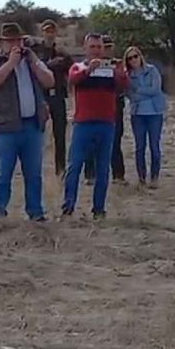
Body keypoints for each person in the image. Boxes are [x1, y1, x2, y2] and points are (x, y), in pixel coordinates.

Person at [0, 22, 56, 221]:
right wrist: (10, 64)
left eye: (18, 41)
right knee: (4, 172)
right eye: (10, 41)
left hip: (32, 125)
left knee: (34, 173)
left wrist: (33, 61)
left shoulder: (31, 60)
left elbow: (49, 81)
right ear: (2, 43)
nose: (15, 45)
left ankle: (35, 212)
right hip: (6, 126)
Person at [60, 34, 119, 219]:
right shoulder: (78, 67)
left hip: (106, 123)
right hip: (83, 123)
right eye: (92, 46)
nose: (96, 50)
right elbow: (72, 80)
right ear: (85, 48)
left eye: (99, 47)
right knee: (75, 165)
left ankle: (99, 209)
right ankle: (68, 206)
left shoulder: (111, 68)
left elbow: (125, 84)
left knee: (103, 168)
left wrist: (119, 71)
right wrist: (88, 70)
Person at [83, 35, 130, 185]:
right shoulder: (89, 63)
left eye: (110, 47)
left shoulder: (117, 64)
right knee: (91, 141)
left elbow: (124, 83)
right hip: (93, 106)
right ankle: (90, 174)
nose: (107, 50)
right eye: (105, 47)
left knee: (115, 140)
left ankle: (118, 174)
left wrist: (118, 72)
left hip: (115, 105)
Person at [32, 20, 73, 178]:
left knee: (60, 134)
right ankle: (34, 167)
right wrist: (49, 64)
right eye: (46, 31)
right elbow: (33, 67)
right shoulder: (35, 51)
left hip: (58, 95)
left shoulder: (62, 52)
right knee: (37, 132)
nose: (49, 34)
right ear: (42, 32)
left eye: (52, 31)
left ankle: (60, 169)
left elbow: (71, 69)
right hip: (40, 95)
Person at [124, 46, 167, 187]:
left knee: (154, 146)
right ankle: (141, 177)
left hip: (154, 113)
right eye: (130, 58)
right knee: (140, 147)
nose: (133, 60)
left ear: (140, 56)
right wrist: (143, 93)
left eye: (135, 56)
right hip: (138, 115)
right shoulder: (128, 76)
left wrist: (138, 90)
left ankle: (154, 177)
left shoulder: (152, 70)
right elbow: (130, 95)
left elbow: (155, 89)